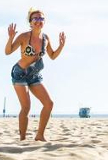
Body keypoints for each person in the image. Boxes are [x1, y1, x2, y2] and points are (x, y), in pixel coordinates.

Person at [6, 8, 65, 142]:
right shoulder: (24, 37)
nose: (39, 21)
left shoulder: (45, 38)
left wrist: (61, 46)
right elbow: (8, 51)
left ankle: (40, 135)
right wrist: (10, 38)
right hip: (20, 73)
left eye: (41, 19)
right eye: (35, 19)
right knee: (26, 106)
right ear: (30, 22)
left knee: (49, 104)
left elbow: (53, 56)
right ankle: (22, 139)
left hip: (34, 75)